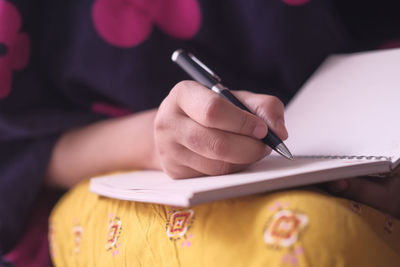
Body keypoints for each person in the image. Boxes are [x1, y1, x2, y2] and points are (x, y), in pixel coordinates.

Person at [1, 0, 399, 266]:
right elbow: (13, 150)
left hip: (365, 161)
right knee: (314, 241)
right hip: (121, 176)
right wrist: (150, 141)